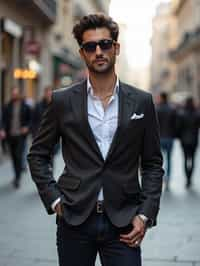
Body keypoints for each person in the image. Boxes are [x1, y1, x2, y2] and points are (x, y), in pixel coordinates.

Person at [28, 14, 164, 266]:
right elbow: (37, 154)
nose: (99, 51)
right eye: (90, 46)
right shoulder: (62, 100)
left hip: (124, 223)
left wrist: (145, 214)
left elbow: (153, 164)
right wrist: (54, 199)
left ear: (116, 48)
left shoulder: (142, 102)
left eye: (105, 44)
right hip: (75, 219)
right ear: (82, 53)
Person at [0, 87, 31, 188]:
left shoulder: (25, 106)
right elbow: (3, 120)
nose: (14, 95)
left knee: (18, 155)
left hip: (21, 136)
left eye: (16, 94)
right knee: (13, 156)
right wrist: (3, 130)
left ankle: (18, 178)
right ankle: (16, 174)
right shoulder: (7, 106)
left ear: (19, 95)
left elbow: (30, 120)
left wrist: (26, 127)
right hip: (10, 135)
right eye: (13, 94)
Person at [176, 97, 200, 188]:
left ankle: (187, 179)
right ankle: (190, 178)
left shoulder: (182, 114)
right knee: (193, 159)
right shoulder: (197, 114)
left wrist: (178, 136)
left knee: (185, 159)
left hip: (184, 140)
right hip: (194, 140)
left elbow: (178, 127)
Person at [156, 92, 176, 190]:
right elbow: (176, 124)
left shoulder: (157, 109)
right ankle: (167, 179)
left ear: (161, 98)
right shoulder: (172, 109)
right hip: (169, 138)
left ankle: (160, 179)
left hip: (159, 138)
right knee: (169, 159)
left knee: (158, 161)